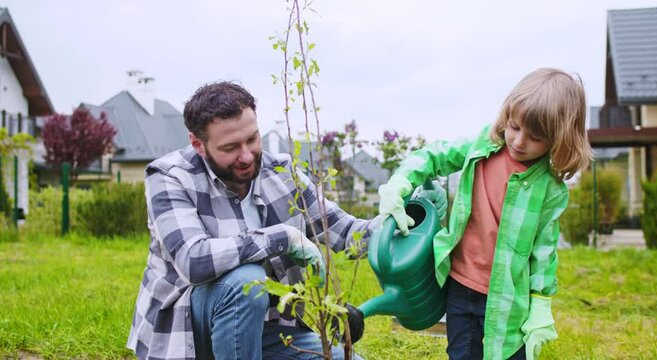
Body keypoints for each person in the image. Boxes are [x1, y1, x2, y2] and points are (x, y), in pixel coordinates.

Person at [126, 81, 442, 360]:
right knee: (246, 282)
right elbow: (193, 261)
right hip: (192, 336)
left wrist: (407, 217)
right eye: (230, 148)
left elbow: (346, 233)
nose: (247, 155)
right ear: (198, 144)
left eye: (252, 139)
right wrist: (283, 238)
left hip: (273, 330)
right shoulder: (169, 177)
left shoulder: (281, 173)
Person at [378, 68, 593, 360]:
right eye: (515, 127)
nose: (518, 141)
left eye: (535, 137)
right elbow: (435, 155)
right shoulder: (482, 146)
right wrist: (401, 181)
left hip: (507, 300)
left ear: (560, 138)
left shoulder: (550, 190)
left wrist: (541, 304)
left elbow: (544, 252)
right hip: (460, 285)